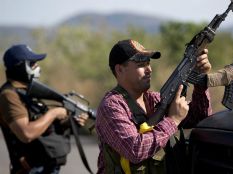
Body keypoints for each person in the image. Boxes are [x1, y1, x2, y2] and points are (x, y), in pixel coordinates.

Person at [95, 39, 212, 173]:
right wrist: (173, 121)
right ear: (120, 69)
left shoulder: (154, 99)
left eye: (148, 63)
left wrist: (200, 78)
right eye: (141, 64)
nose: (149, 69)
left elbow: (201, 117)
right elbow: (135, 150)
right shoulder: (112, 106)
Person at [0, 44, 89, 174]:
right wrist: (53, 113)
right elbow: (27, 134)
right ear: (20, 67)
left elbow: (41, 125)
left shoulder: (25, 92)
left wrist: (71, 122)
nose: (37, 68)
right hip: (31, 169)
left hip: (45, 166)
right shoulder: (9, 95)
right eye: (33, 64)